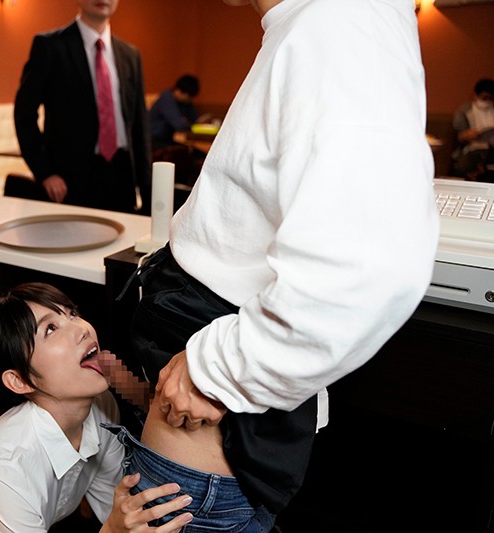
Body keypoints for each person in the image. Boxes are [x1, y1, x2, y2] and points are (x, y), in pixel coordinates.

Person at [111, 0, 441, 531]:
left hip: (202, 447)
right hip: (191, 433)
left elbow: (369, 268)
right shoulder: (313, 23)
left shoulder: (342, 19)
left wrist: (215, 371)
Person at [0, 283, 193, 533]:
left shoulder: (102, 407)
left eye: (72, 313)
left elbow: (111, 503)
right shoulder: (5, 465)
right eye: (50, 328)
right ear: (20, 380)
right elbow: (112, 525)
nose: (82, 327)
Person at [14, 0, 151, 214]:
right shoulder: (49, 46)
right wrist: (45, 173)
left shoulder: (130, 54)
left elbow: (139, 125)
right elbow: (24, 115)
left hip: (121, 176)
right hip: (70, 180)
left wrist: (148, 189)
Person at [451, 78, 494, 181]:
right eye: (484, 98)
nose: (487, 101)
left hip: (491, 148)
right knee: (465, 165)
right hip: (472, 148)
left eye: (490, 98)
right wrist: (467, 135)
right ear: (476, 95)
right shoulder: (464, 111)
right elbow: (459, 136)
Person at [148, 75, 202, 152]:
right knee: (185, 153)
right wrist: (189, 124)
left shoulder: (184, 102)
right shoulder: (167, 99)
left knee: (193, 152)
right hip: (154, 140)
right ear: (178, 91)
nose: (189, 99)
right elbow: (179, 125)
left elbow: (195, 119)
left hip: (166, 140)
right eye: (188, 96)